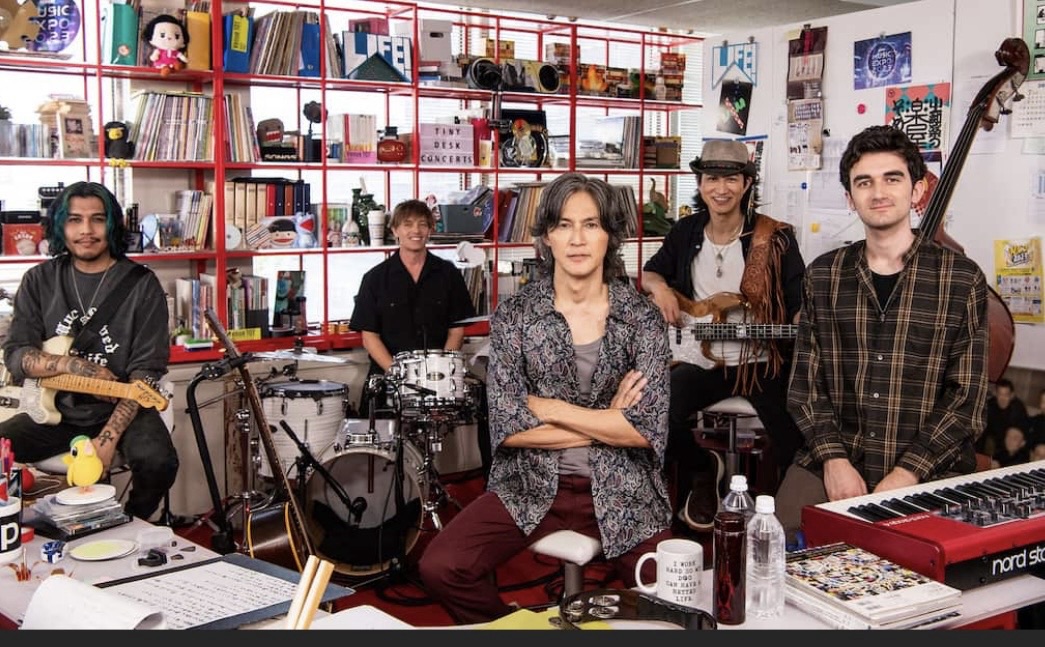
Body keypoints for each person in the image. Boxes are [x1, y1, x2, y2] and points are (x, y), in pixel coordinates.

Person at [418, 172, 673, 624]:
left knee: (674, 599)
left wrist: (551, 409)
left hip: (625, 487)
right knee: (442, 566)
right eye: (564, 225)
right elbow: (508, 427)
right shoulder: (515, 315)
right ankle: (518, 627)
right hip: (529, 483)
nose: (577, 239)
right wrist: (608, 421)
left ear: (609, 235)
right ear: (547, 236)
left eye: (591, 225)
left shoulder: (641, 318)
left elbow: (645, 430)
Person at [776, 125, 990, 542]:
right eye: (864, 182)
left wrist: (907, 472)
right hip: (836, 456)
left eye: (892, 178)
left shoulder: (962, 279)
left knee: (925, 564)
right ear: (849, 198)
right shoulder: (823, 275)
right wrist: (834, 460)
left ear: (917, 190)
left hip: (931, 465)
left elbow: (966, 401)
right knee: (773, 546)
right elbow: (804, 388)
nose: (878, 192)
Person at [642, 139, 805, 532]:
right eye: (712, 179)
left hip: (760, 363)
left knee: (795, 437)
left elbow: (800, 303)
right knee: (654, 408)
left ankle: (781, 522)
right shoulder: (685, 231)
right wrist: (661, 290)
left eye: (731, 179)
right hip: (699, 361)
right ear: (700, 184)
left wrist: (803, 325)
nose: (721, 188)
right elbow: (651, 273)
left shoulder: (776, 238)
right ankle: (703, 471)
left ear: (746, 184)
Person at [0, 181, 177, 520]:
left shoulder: (142, 284)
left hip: (125, 407)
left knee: (158, 462)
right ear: (60, 226)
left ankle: (133, 520)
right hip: (55, 410)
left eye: (97, 219)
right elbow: (17, 354)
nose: (86, 230)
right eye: (74, 220)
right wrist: (75, 365)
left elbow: (146, 371)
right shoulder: (38, 280)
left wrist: (108, 439)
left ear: (112, 225)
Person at [349, 198, 476, 419]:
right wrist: (401, 376)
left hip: (438, 386)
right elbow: (369, 337)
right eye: (407, 224)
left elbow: (456, 331)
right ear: (394, 230)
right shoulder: (374, 279)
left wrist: (439, 374)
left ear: (430, 229)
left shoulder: (449, 274)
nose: (415, 231)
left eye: (422, 224)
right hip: (387, 383)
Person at [977, 377, 1030, 457]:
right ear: (995, 394)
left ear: (1012, 395)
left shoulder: (1018, 408)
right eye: (1000, 394)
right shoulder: (990, 405)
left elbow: (1022, 434)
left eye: (1006, 395)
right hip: (993, 441)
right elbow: (983, 427)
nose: (1002, 399)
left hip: (1011, 446)